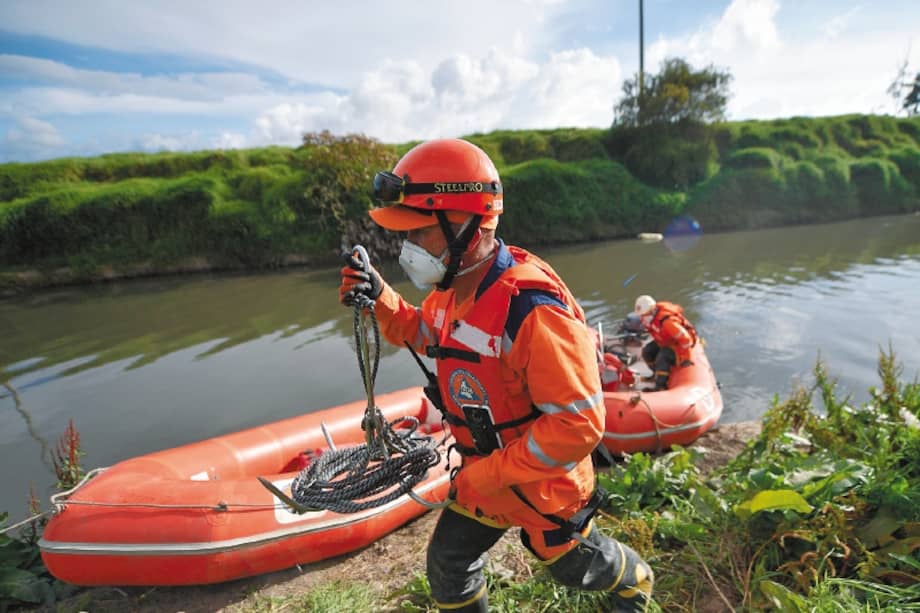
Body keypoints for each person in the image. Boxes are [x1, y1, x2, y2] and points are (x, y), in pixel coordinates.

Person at [340, 138, 653, 612]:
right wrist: (380, 295)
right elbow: (427, 334)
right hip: (486, 475)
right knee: (449, 560)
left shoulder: (531, 311)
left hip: (543, 484)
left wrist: (489, 474)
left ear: (469, 224)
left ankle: (634, 581)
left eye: (420, 231)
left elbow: (578, 426)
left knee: (574, 566)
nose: (409, 246)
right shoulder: (452, 289)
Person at [633, 295, 698, 391]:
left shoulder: (668, 322)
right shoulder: (651, 318)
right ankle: (655, 375)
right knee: (647, 351)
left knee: (662, 356)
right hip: (667, 341)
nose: (642, 318)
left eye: (644, 315)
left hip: (678, 345)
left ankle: (660, 386)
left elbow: (685, 340)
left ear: (652, 311)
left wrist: (686, 358)